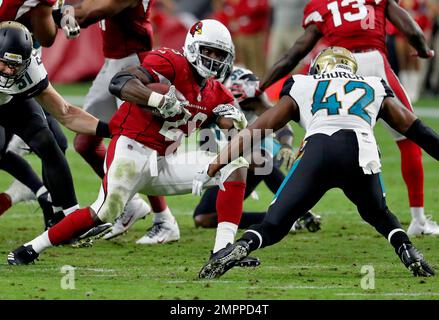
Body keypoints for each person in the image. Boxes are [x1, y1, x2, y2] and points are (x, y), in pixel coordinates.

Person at [6, 19, 252, 266]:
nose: (213, 59)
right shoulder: (170, 62)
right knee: (104, 212)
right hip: (131, 151)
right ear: (192, 47)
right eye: (207, 51)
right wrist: (158, 99)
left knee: (235, 164)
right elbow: (120, 83)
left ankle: (223, 250)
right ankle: (31, 248)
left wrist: (235, 120)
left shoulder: (219, 92)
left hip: (165, 161)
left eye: (219, 54)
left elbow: (227, 125)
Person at [196, 47, 437, 279]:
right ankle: (405, 247)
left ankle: (241, 246)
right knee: (379, 213)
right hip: (361, 151)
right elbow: (416, 129)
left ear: (319, 67)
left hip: (318, 150)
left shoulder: (304, 84)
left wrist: (217, 163)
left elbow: (259, 128)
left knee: (275, 223)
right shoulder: (372, 84)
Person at [259, 0, 439, 236]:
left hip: (330, 72)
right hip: (373, 65)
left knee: (319, 136)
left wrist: (260, 87)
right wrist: (424, 50)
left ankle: (289, 212)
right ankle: (418, 219)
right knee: (409, 138)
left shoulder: (321, 5)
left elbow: (295, 53)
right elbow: (411, 28)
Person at [69, 0, 177, 243]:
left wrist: (61, 13)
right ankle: (131, 206)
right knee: (85, 142)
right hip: (113, 64)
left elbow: (93, 12)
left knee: (138, 145)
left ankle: (165, 220)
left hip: (135, 68)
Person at [0, 21, 110, 229]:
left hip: (11, 101)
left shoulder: (30, 70)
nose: (8, 71)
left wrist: (112, 130)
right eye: (4, 63)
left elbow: (66, 113)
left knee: (48, 141)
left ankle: (70, 220)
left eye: (15, 65)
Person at [193, 65, 321, 232]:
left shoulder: (238, 84)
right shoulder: (199, 86)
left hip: (260, 147)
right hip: (230, 154)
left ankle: (301, 210)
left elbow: (278, 117)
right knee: (203, 217)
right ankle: (287, 221)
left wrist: (286, 146)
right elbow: (205, 130)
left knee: (257, 158)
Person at [0, 0, 80, 227]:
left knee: (54, 141)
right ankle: (40, 194)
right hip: (13, 73)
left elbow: (63, 9)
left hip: (22, 78)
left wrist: (67, 14)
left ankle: (56, 212)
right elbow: (48, 35)